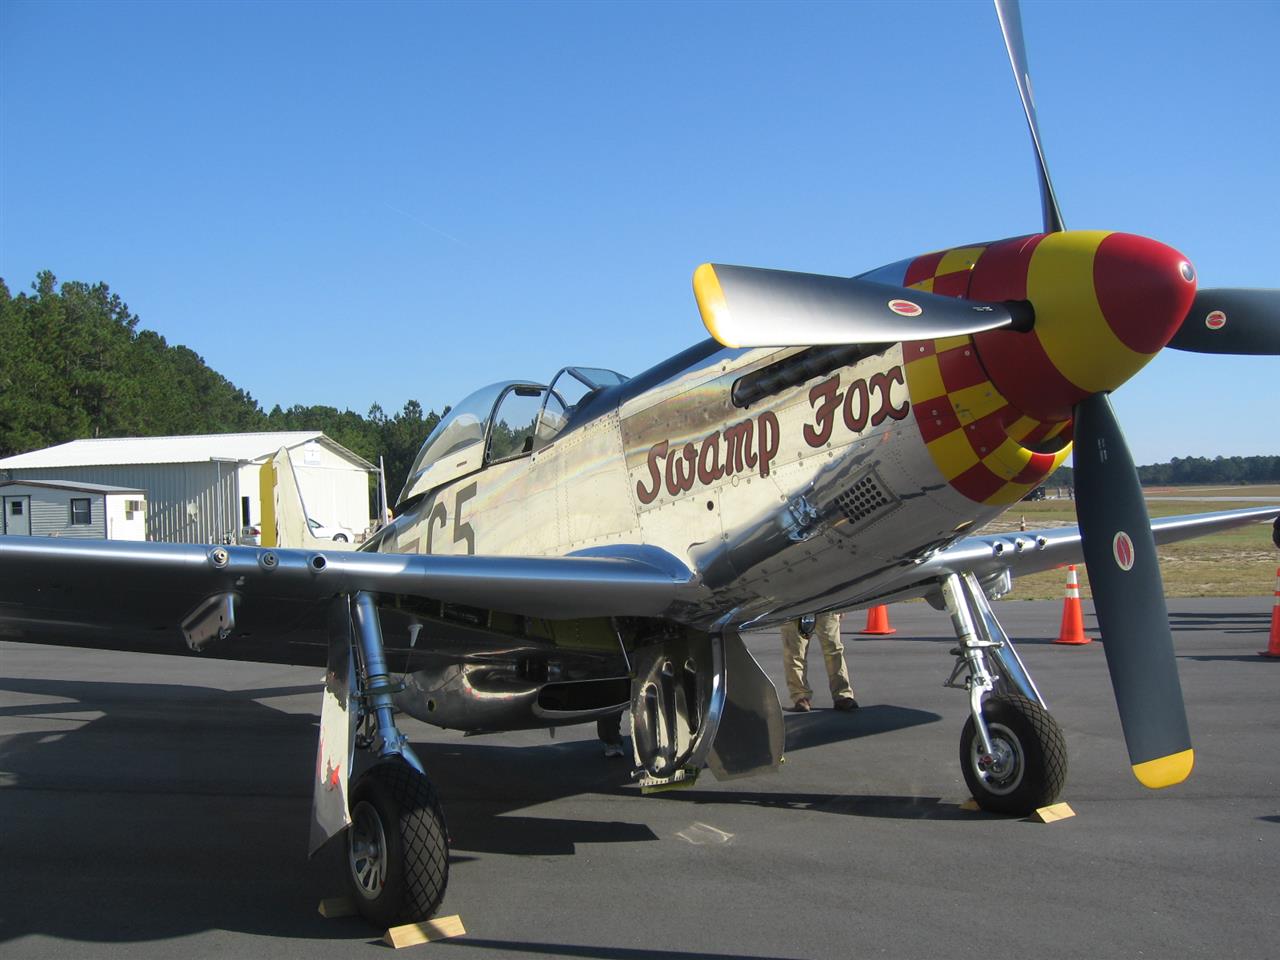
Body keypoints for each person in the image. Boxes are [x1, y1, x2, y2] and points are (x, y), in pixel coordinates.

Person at [781, 612, 858, 712]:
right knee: (795, 653)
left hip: (825, 605)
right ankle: (800, 697)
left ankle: (842, 695)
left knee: (834, 650)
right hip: (796, 607)